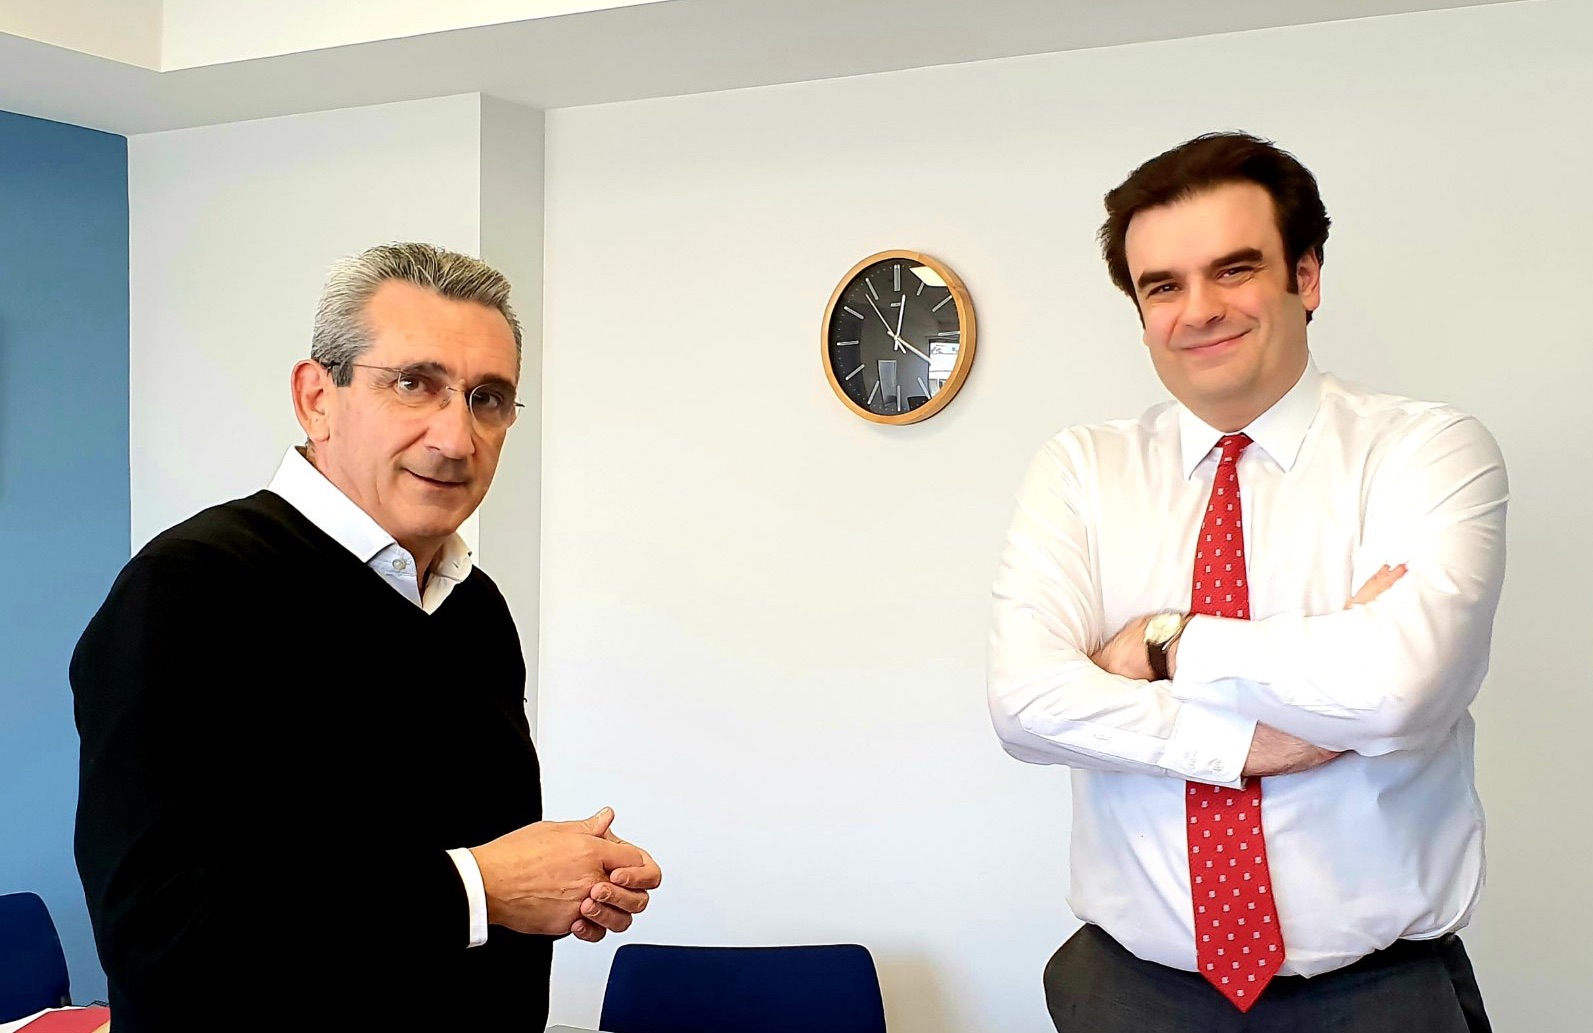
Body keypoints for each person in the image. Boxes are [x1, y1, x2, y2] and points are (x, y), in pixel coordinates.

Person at [988, 133, 1506, 1032]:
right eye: (1162, 286)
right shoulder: (1080, 470)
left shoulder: (1426, 451)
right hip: (1130, 992)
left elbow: (1397, 690)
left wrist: (1162, 643)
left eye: (1233, 269)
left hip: (1374, 997)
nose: (1198, 310)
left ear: (1305, 276)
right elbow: (1024, 705)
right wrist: (1258, 738)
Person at [71, 243, 661, 1031]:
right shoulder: (188, 587)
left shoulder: (475, 607)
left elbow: (453, 867)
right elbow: (161, 931)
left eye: (487, 398)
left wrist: (558, 882)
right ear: (317, 398)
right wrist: (481, 888)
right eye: (413, 383)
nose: (456, 437)